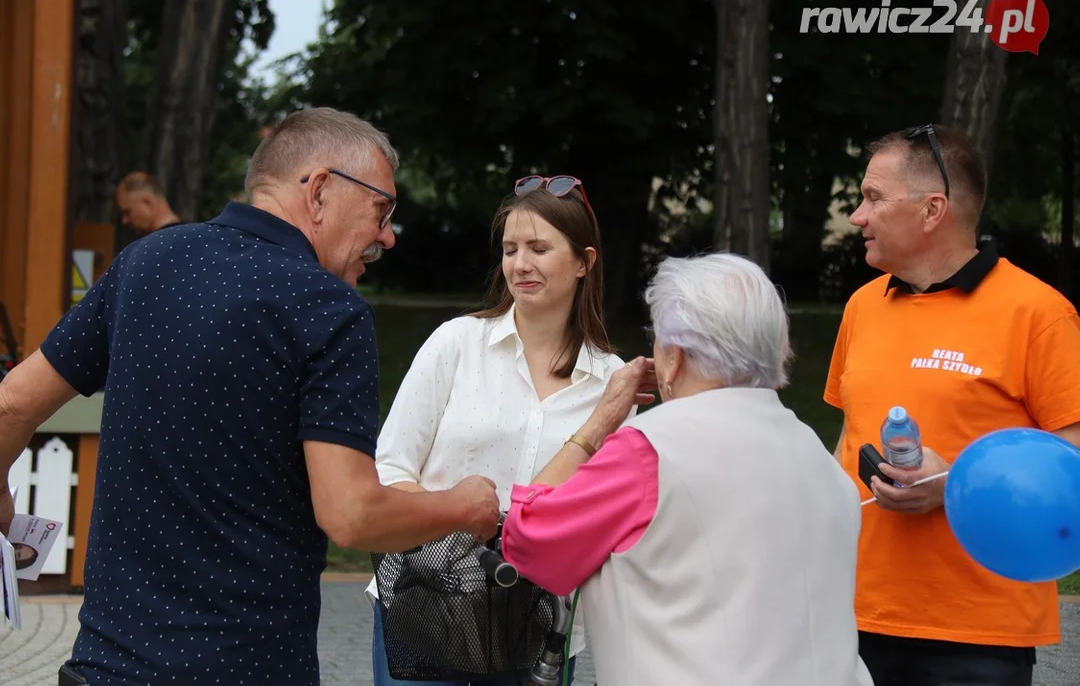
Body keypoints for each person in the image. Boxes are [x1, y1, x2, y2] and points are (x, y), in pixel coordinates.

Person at [0, 107, 500, 685]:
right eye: (382, 209)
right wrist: (463, 507)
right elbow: (352, 514)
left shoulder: (144, 262)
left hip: (105, 667)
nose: (386, 235)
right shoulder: (329, 310)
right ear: (318, 191)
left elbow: (12, 402)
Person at [501, 252, 874, 686]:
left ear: (674, 358)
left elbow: (528, 542)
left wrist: (598, 424)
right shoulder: (816, 455)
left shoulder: (651, 449)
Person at [825, 123, 1080, 686]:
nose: (857, 217)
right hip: (852, 617)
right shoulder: (863, 307)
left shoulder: (1039, 313)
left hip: (978, 631)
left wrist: (957, 483)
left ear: (932, 209)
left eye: (872, 198)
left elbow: (1073, 462)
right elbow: (847, 438)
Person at [368, 175, 627, 686]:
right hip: (427, 605)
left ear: (583, 262)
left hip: (538, 626)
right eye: (510, 249)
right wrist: (453, 553)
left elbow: (606, 514)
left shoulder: (613, 385)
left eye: (538, 248)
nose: (520, 264)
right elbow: (391, 464)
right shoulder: (457, 344)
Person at [114, 171, 184, 234]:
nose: (124, 220)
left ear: (147, 203)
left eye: (127, 212)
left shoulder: (154, 243)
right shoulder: (191, 236)